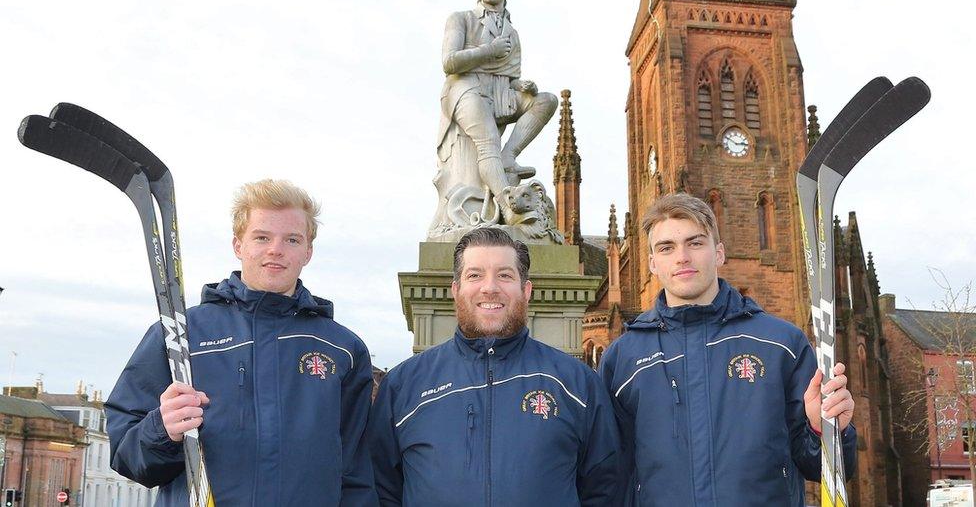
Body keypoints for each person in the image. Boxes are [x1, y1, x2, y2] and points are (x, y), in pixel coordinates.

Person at [105, 179, 377, 506]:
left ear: (308, 251)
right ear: (238, 245)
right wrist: (162, 430)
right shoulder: (181, 334)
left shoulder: (343, 350)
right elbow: (126, 455)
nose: (276, 249)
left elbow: (358, 475)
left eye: (292, 239)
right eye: (262, 237)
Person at [598, 193, 857, 506]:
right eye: (667, 247)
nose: (682, 257)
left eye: (695, 243)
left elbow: (820, 467)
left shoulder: (781, 344)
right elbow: (609, 474)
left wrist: (824, 429)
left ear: (718, 252)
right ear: (652, 262)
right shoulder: (623, 359)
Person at [369, 227, 619, 506]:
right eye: (475, 275)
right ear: (456, 289)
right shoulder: (403, 385)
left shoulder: (576, 383)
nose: (489, 287)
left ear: (526, 290)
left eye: (505, 275)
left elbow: (604, 488)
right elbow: (381, 489)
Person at [430, 0, 558, 237]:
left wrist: (520, 84)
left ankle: (508, 157)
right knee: (487, 141)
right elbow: (449, 62)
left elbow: (509, 72)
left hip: (499, 92)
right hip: (466, 88)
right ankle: (507, 206)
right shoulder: (460, 19)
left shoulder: (512, 32)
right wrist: (490, 50)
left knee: (546, 100)